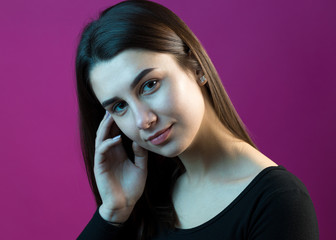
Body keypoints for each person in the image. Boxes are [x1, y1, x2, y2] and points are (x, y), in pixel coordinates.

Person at [75, 0, 319, 239]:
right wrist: (113, 212)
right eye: (120, 106)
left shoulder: (279, 203)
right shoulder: (145, 196)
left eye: (149, 85)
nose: (142, 121)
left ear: (197, 68)